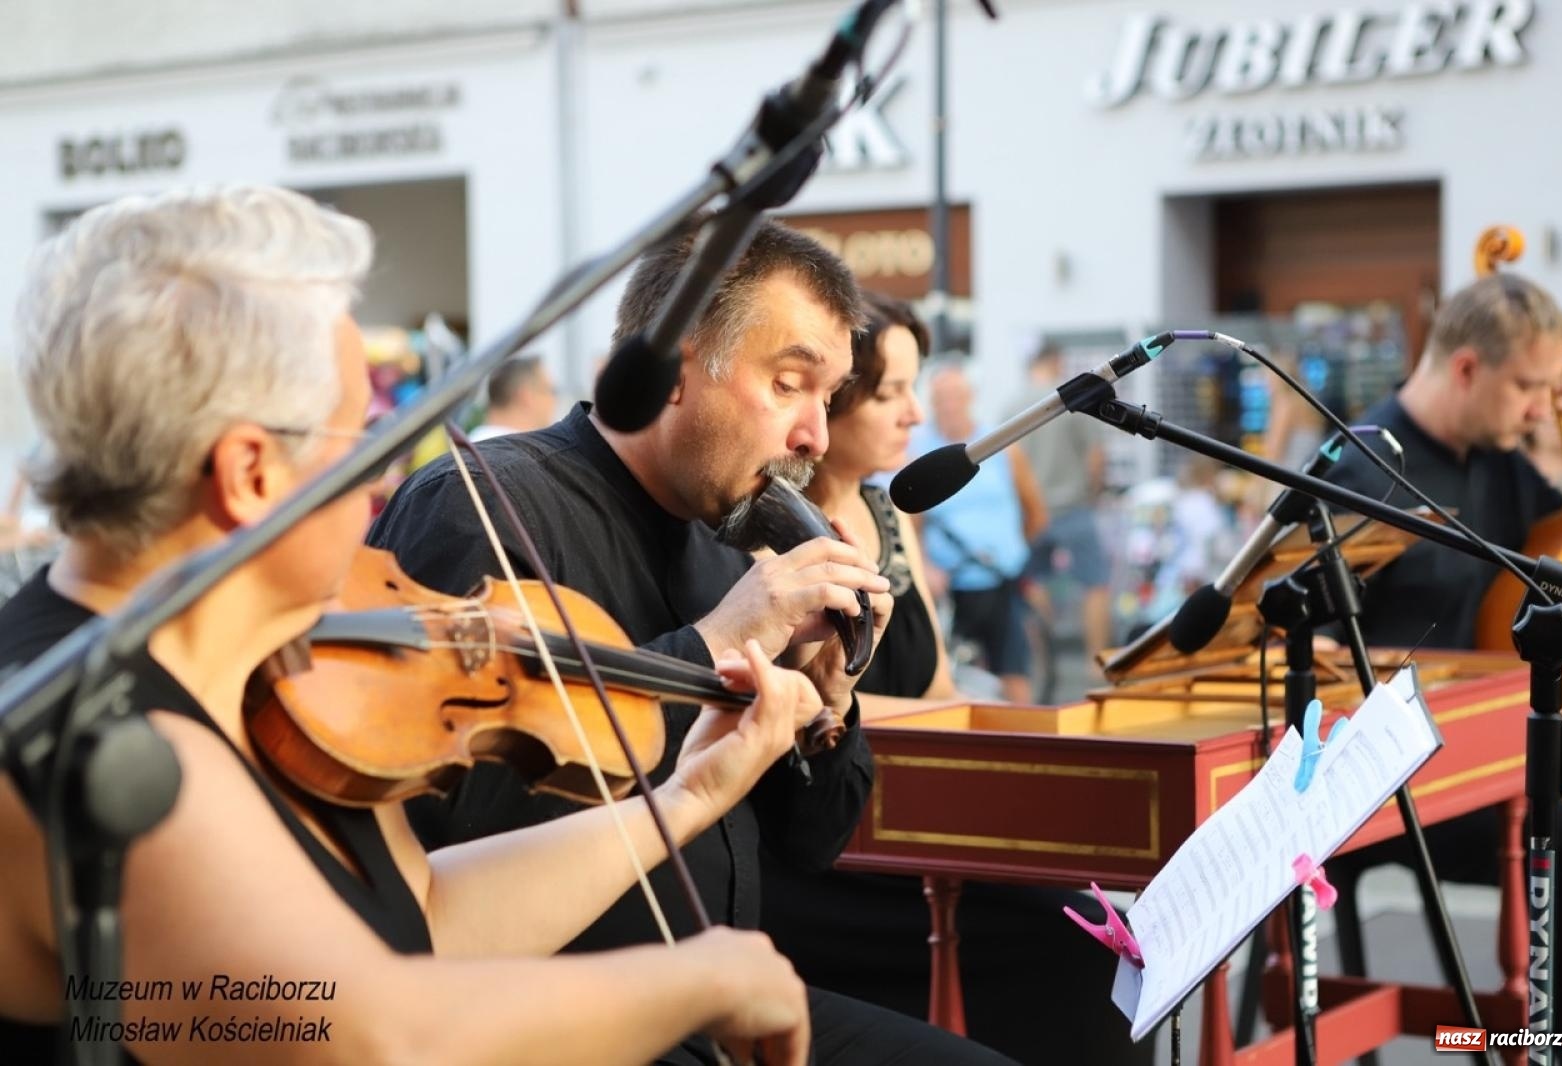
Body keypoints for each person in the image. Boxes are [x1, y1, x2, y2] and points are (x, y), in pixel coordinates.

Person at [0, 184, 823, 1065]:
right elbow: (370, 1037)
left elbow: (425, 916)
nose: (382, 477)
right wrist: (705, 981)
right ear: (249, 474)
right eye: (360, 438)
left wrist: (686, 797)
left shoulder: (271, 676)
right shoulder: (97, 742)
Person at [367, 221, 1015, 1063]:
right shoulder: (483, 504)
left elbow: (810, 843)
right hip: (545, 1022)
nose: (815, 435)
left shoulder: (726, 540)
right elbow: (458, 816)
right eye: (790, 385)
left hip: (710, 1003)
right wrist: (715, 640)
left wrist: (830, 700)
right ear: (670, 369)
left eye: (830, 397)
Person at [761, 291, 1155, 1065]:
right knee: (1081, 948)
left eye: (916, 388)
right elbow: (800, 700)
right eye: (889, 393)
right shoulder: (769, 530)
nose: (913, 415)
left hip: (912, 815)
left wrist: (1049, 725)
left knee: (1106, 928)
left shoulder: (890, 511)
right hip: (830, 843)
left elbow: (937, 689)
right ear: (828, 406)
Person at [1321, 271, 1562, 1043]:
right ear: (1468, 368)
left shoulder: (1498, 459)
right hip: (1387, 779)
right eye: (1527, 387)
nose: (1540, 408)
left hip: (1472, 758)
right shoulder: (1365, 466)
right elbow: (1316, 653)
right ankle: (1558, 1046)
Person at [911, 361, 1047, 704]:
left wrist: (1013, 550)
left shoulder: (1000, 445)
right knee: (944, 678)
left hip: (1001, 579)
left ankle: (1026, 744)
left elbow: (1035, 510)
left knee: (1015, 674)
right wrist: (924, 564)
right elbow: (911, 518)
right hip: (950, 584)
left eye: (956, 395)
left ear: (970, 398)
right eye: (941, 397)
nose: (949, 404)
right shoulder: (917, 448)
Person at [1010, 343, 1114, 676]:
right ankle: (1096, 663)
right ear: (1056, 362)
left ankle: (1043, 661)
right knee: (1094, 583)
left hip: (1031, 513)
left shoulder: (1013, 405)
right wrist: (1092, 494)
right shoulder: (1074, 400)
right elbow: (1096, 458)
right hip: (1074, 508)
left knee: (1032, 583)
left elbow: (1006, 463)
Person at [469, 350, 558, 441]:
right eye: (551, 391)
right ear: (526, 397)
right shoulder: (511, 450)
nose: (554, 400)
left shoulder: (473, 445)